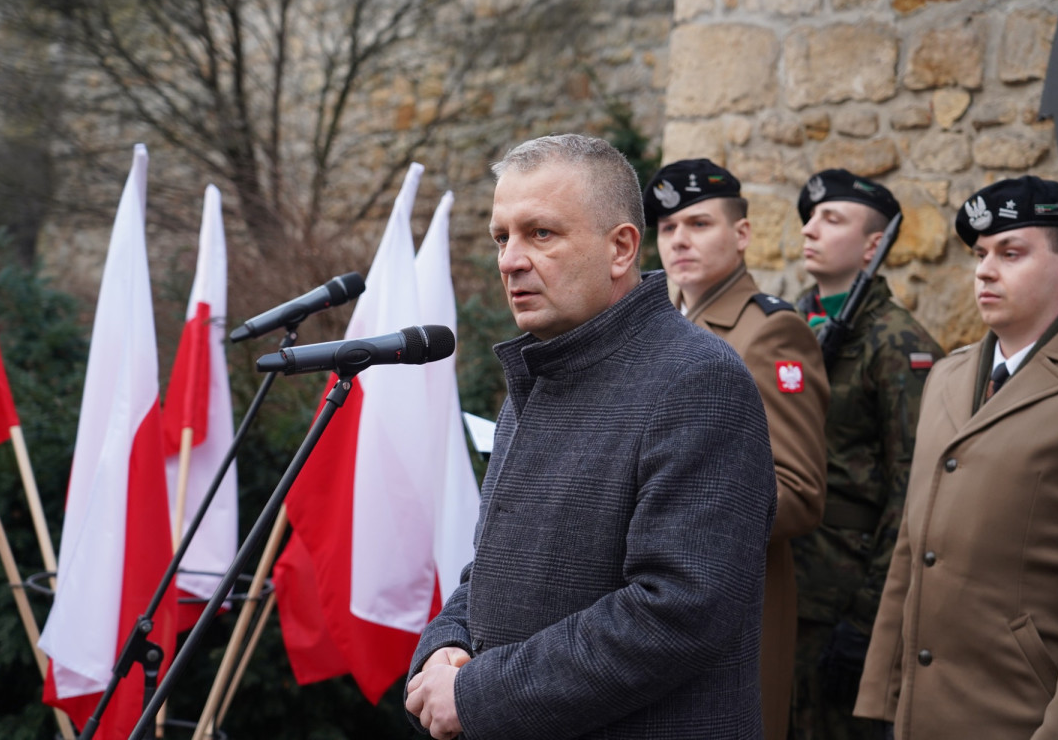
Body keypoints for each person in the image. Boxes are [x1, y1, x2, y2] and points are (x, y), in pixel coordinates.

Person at [404, 134, 777, 740]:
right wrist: (445, 644)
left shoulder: (699, 381)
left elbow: (676, 610)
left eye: (541, 234)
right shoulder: (539, 376)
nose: (510, 259)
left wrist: (477, 693)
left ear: (622, 248)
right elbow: (495, 568)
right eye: (503, 237)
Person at [854, 176, 1058, 739]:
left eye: (1011, 252)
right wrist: (882, 694)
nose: (985, 270)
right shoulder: (949, 377)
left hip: (1021, 714)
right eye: (981, 254)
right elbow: (912, 546)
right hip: (920, 713)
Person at [645, 158, 828, 740]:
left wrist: (677, 506)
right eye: (668, 228)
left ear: (742, 234)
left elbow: (799, 493)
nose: (679, 240)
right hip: (654, 603)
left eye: (699, 224)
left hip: (733, 606)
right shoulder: (659, 329)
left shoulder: (771, 333)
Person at [789, 168, 942, 740]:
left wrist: (869, 616)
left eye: (832, 219)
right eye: (810, 217)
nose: (811, 229)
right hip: (781, 585)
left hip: (843, 594)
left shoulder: (897, 341)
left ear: (873, 245)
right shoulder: (788, 325)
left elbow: (915, 487)